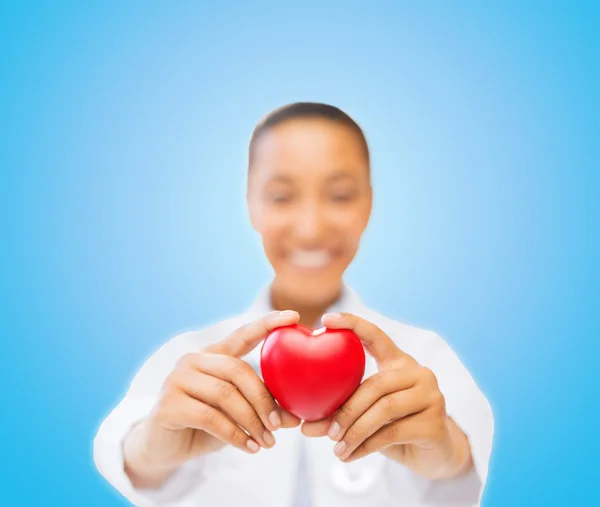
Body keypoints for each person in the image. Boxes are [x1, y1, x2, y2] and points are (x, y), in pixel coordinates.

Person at [93, 102, 494, 507]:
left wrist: (449, 452)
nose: (310, 228)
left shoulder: (422, 360)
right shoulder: (190, 360)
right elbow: (122, 450)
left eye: (339, 195)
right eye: (282, 197)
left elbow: (471, 455)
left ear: (368, 204)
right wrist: (150, 448)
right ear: (251, 203)